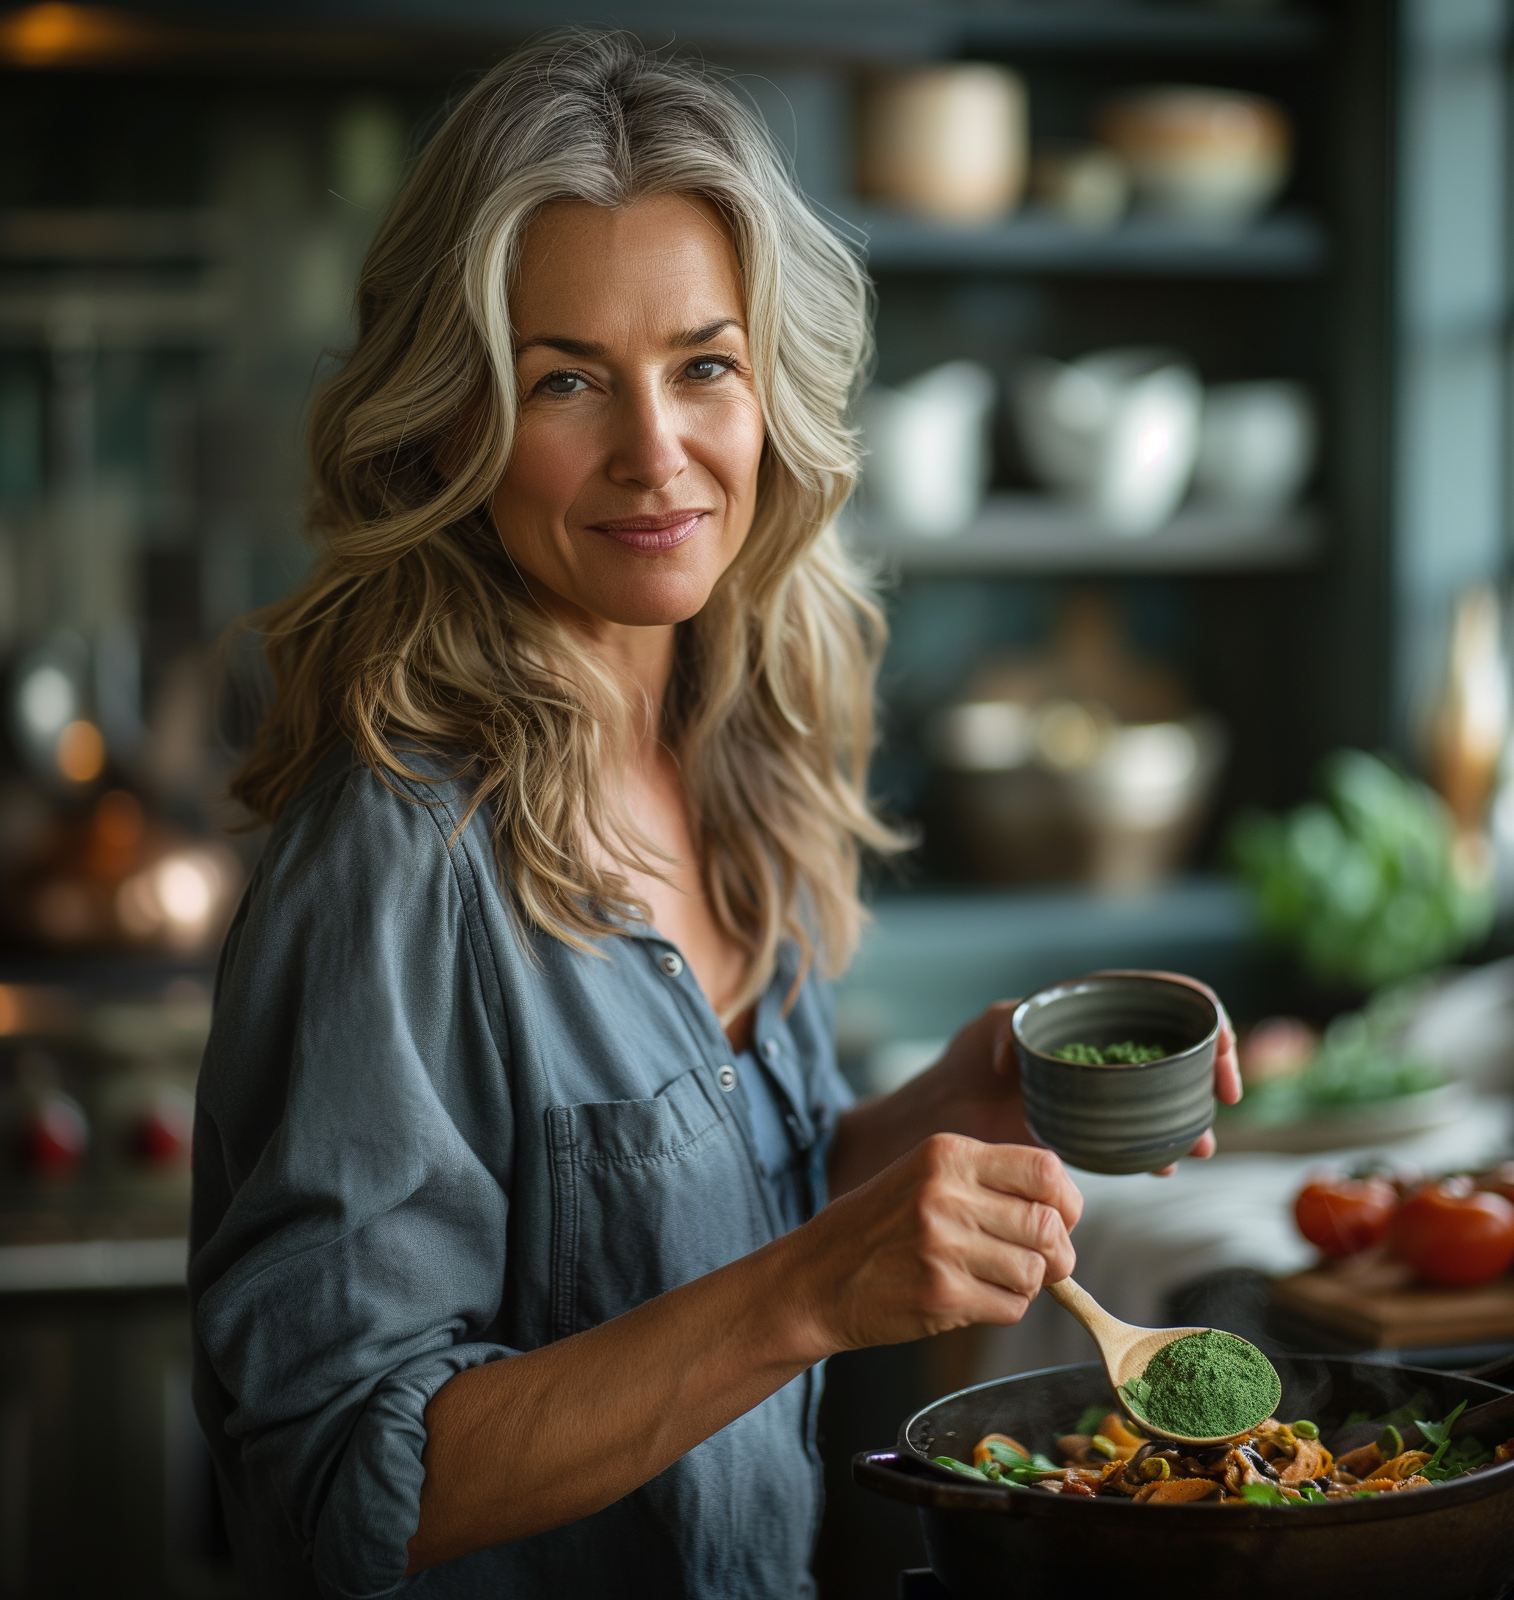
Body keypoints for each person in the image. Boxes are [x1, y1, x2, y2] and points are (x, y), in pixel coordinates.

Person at [189, 31, 1240, 1599]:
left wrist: (921, 1136)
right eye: (565, 381)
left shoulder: (734, 743)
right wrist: (813, 1289)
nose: (655, 452)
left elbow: (691, 1233)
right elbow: (339, 1480)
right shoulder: (400, 848)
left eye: (704, 364)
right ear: (451, 419)